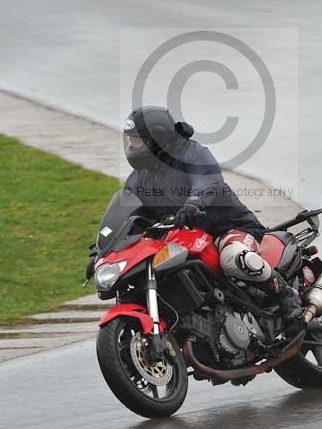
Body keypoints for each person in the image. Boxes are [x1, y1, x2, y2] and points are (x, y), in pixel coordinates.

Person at [122, 105, 302, 326]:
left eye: (137, 141)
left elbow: (207, 180)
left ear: (156, 140)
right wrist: (107, 245)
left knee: (233, 259)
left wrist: (194, 203)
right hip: (185, 239)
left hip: (227, 228)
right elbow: (128, 211)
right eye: (130, 140)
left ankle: (285, 295)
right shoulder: (139, 178)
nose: (132, 146)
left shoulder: (191, 154)